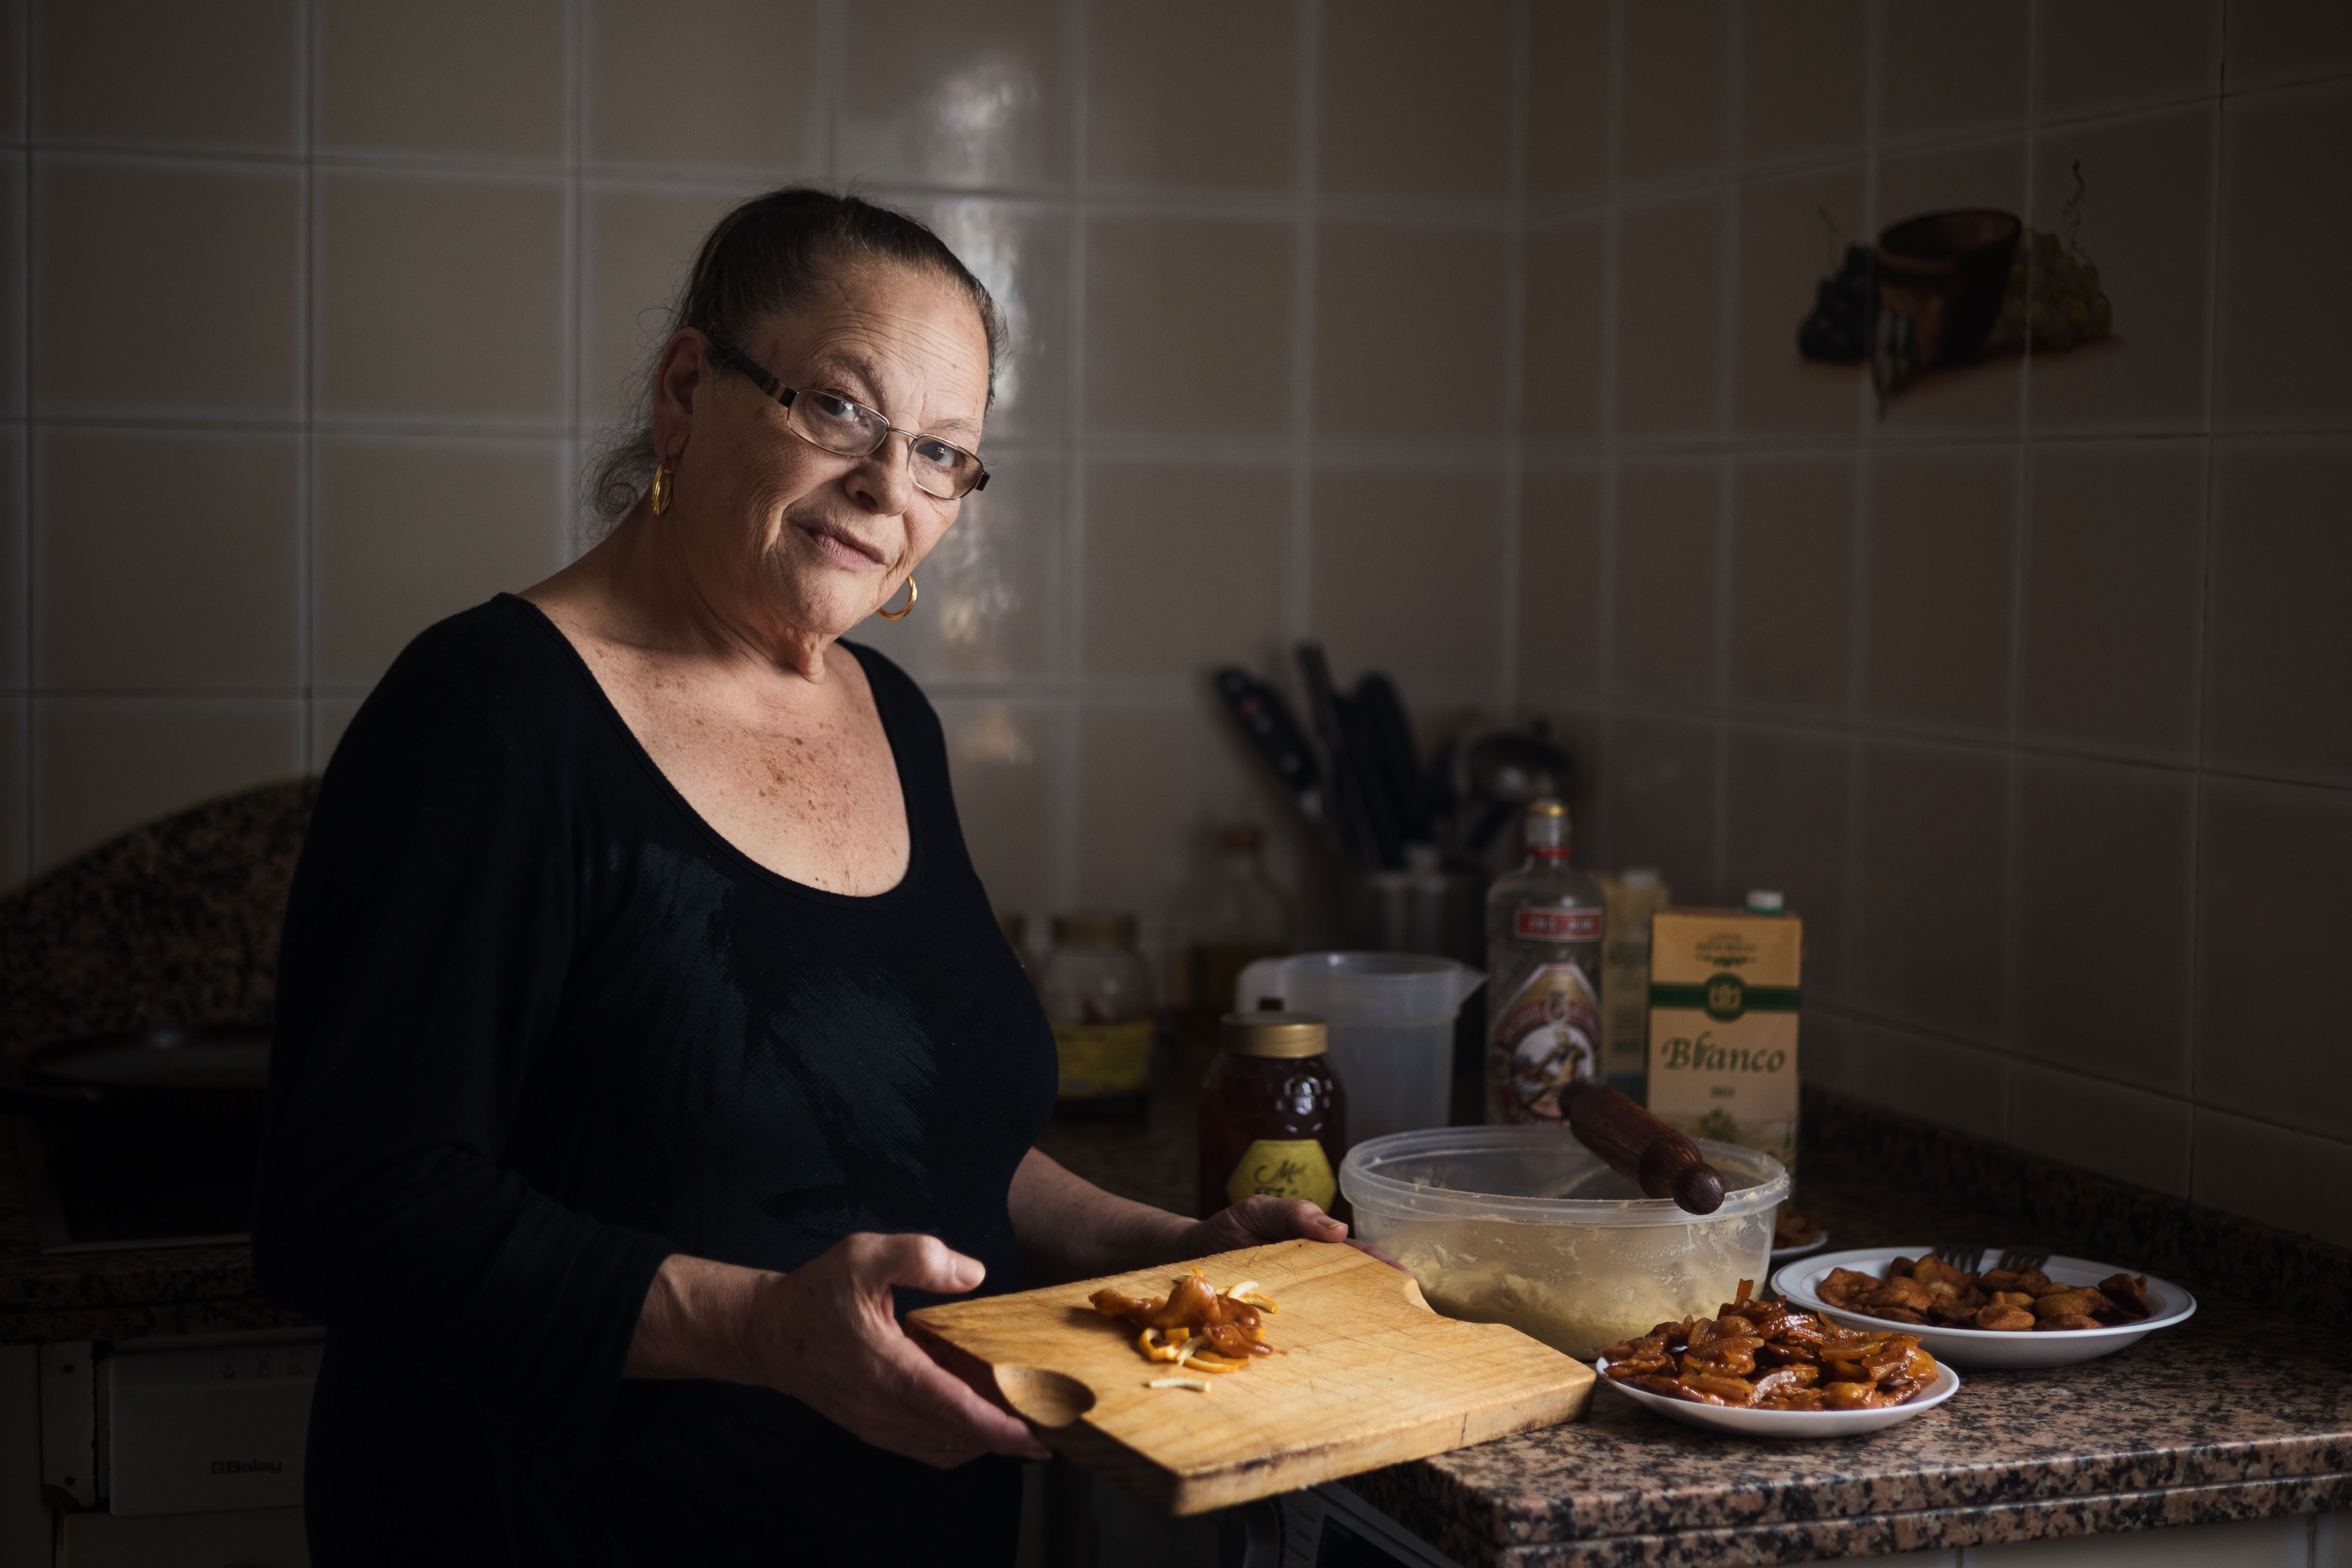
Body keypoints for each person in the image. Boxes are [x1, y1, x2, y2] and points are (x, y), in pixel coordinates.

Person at [253, 188, 1354, 1567]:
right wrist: (761, 1333)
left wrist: (1166, 1249)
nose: (892, 490)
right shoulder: (487, 720)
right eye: (841, 409)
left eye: (945, 454)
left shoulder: (891, 719)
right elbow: (352, 1206)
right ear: (688, 386)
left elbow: (915, 1133)